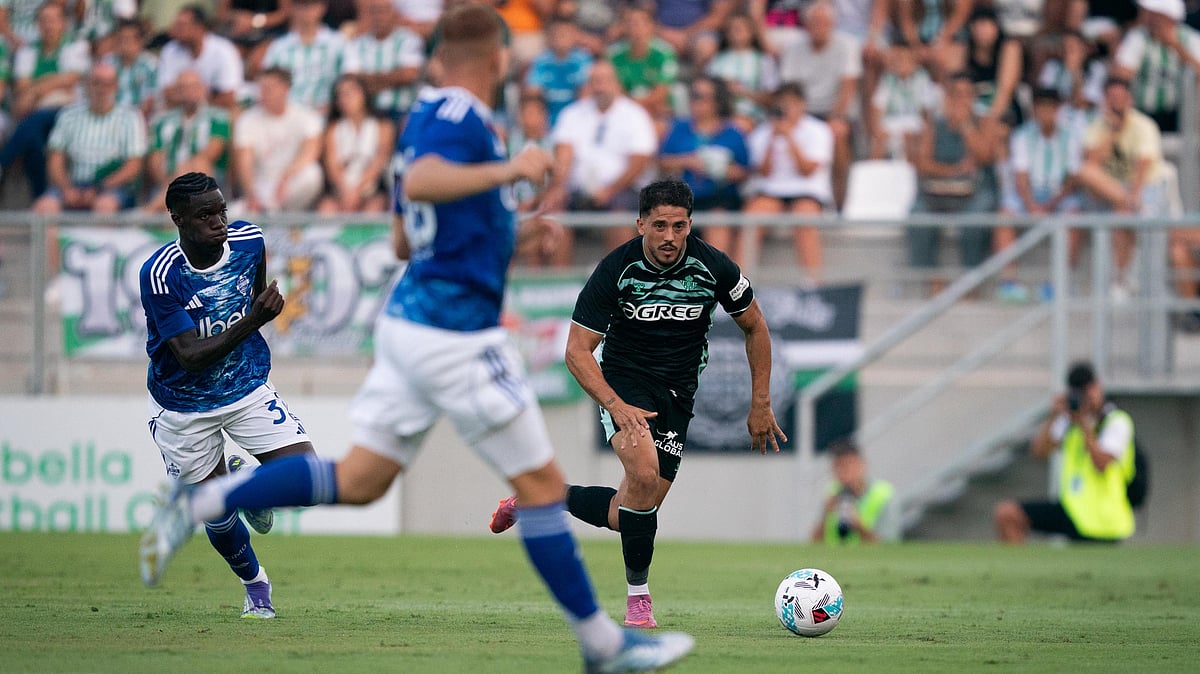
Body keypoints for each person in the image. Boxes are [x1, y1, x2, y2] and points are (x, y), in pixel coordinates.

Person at [138, 6, 694, 671]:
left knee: (362, 479)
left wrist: (512, 232)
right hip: (456, 334)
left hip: (414, 323)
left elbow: (408, 236)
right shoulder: (463, 119)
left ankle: (206, 497)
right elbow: (430, 182)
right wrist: (513, 171)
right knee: (543, 485)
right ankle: (603, 646)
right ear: (495, 61)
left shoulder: (423, 117)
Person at [491, 180, 786, 630]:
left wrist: (760, 402)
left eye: (680, 226)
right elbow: (576, 350)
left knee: (630, 508)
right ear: (641, 224)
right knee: (644, 473)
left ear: (690, 225)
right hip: (625, 385)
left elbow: (755, 326)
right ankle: (638, 602)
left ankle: (540, 499)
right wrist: (614, 403)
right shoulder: (616, 269)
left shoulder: (713, 267)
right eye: (660, 226)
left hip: (678, 394)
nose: (670, 236)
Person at [138, 171, 317, 617]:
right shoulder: (161, 275)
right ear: (178, 219)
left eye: (221, 210)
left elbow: (256, 300)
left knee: (307, 477)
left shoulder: (250, 241)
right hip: (183, 407)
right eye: (205, 215)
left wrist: (260, 315)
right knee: (215, 518)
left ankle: (239, 482)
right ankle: (256, 588)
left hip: (246, 388)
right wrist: (254, 321)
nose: (219, 222)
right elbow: (190, 356)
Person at [994, 361, 1137, 543]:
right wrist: (1053, 415)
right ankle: (1022, 569)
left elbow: (1101, 464)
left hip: (1102, 519)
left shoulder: (1116, 422)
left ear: (1097, 388)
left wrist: (1084, 423)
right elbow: (1039, 452)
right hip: (1073, 510)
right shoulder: (1069, 421)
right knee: (1007, 514)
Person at [906, 73, 1005, 297]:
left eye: (966, 95)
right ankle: (931, 279)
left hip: (976, 192)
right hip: (938, 191)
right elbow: (923, 163)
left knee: (974, 218)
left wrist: (966, 127)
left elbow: (984, 157)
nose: (961, 100)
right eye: (955, 95)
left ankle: (972, 280)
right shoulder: (934, 124)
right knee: (917, 215)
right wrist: (954, 170)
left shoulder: (985, 121)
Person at [545, 60, 658, 253]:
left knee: (619, 216)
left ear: (617, 83)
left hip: (622, 189)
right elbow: (563, 155)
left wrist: (610, 190)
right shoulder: (572, 114)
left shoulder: (635, 115)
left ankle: (619, 279)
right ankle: (559, 281)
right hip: (578, 190)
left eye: (604, 81)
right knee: (554, 214)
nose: (599, 87)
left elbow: (639, 162)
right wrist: (559, 186)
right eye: (594, 81)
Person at [1074, 76, 1168, 302]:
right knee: (1087, 175)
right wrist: (1113, 133)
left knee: (1121, 212)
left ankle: (1121, 279)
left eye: (1120, 98)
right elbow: (1090, 166)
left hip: (1146, 187)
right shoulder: (1097, 127)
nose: (1116, 103)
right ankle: (1122, 278)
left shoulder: (1144, 125)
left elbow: (1143, 165)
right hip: (1114, 192)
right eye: (1112, 98)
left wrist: (1134, 194)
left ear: (1130, 99)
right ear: (1105, 100)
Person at [995, 87, 1083, 302]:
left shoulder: (1071, 137)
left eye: (1050, 109)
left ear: (1058, 110)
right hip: (1029, 196)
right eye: (1041, 109)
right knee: (1003, 216)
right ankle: (1009, 283)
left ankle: (1058, 283)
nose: (1045, 114)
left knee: (1076, 218)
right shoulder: (1022, 136)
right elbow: (1021, 178)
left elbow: (1072, 179)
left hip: (1058, 197)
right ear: (1034, 110)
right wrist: (1032, 205)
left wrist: (1050, 205)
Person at [745, 82, 834, 283]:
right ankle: (739, 287)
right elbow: (763, 172)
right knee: (750, 219)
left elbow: (807, 170)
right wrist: (772, 140)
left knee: (803, 219)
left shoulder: (818, 130)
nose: (787, 108)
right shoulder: (763, 132)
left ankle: (813, 283)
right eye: (782, 103)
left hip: (806, 190)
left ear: (802, 104)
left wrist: (789, 137)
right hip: (772, 191)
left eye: (791, 103)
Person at [777, 0, 861, 209]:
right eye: (815, 22)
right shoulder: (793, 49)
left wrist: (835, 117)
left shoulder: (847, 45)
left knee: (837, 133)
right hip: (802, 110)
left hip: (833, 112)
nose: (820, 27)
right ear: (806, 25)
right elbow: (790, 91)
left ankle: (840, 202)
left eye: (824, 22)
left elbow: (847, 89)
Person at [34, 62, 147, 215]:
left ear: (115, 87)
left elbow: (133, 166)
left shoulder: (130, 117)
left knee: (104, 206)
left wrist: (99, 188)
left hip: (112, 187)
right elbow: (55, 160)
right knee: (44, 207)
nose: (102, 89)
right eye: (96, 83)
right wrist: (66, 188)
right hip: (73, 184)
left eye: (107, 84)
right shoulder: (68, 115)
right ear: (87, 85)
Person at [659, 76, 750, 261]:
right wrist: (688, 161)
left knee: (717, 219)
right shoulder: (679, 128)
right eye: (693, 95)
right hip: (682, 198)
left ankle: (715, 281)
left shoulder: (732, 132)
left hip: (719, 197)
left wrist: (720, 170)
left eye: (700, 96)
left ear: (716, 101)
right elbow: (663, 161)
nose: (695, 101)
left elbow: (744, 171)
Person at [231, 66, 325, 214]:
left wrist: (287, 176)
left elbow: (311, 151)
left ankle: (272, 210)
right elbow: (244, 161)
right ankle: (268, 209)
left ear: (285, 89)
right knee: (231, 216)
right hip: (262, 185)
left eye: (269, 88)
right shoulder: (248, 120)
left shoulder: (305, 116)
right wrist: (251, 192)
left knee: (312, 174)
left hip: (292, 182)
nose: (263, 93)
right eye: (261, 88)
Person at [143, 69, 233, 212]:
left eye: (193, 87)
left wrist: (180, 175)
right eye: (183, 88)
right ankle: (163, 201)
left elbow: (211, 153)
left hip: (206, 180)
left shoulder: (218, 117)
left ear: (203, 88)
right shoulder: (161, 120)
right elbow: (155, 158)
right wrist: (169, 180)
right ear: (176, 92)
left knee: (199, 164)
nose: (189, 92)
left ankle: (149, 211)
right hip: (166, 180)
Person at [316, 74, 395, 214]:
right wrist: (346, 191)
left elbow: (380, 160)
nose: (346, 98)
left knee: (373, 210)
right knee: (326, 210)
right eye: (341, 94)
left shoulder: (383, 125)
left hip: (372, 189)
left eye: (351, 92)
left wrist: (358, 190)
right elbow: (332, 165)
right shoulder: (332, 128)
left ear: (364, 93)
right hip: (341, 190)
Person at [339, 0, 425, 123]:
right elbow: (352, 80)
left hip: (402, 111)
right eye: (374, 11)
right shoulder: (356, 44)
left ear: (395, 13)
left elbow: (409, 75)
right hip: (368, 113)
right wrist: (395, 77)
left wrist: (367, 81)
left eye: (384, 11)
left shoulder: (409, 39)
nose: (379, 16)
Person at [261, 0, 345, 114]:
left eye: (312, 5)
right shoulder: (278, 47)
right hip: (287, 115)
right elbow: (267, 83)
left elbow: (349, 79)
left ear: (322, 7)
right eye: (302, 5)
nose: (307, 11)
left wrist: (333, 107)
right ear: (293, 8)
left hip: (329, 113)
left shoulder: (338, 43)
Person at [158, 5, 245, 110]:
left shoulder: (224, 51)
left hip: (216, 111)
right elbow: (167, 93)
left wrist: (197, 101)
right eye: (176, 24)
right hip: (180, 112)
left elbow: (229, 97)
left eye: (182, 26)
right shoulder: (170, 50)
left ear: (199, 27)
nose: (176, 29)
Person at [809, 440, 896, 544]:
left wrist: (859, 526)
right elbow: (813, 543)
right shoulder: (832, 492)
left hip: (867, 559)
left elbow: (889, 547)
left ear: (861, 465)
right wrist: (825, 515)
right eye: (837, 466)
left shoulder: (884, 495)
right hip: (833, 558)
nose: (842, 472)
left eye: (847, 466)